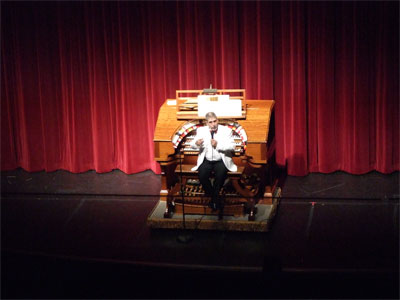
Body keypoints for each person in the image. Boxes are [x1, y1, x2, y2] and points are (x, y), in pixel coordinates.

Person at [190, 112, 237, 211]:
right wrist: (196, 143)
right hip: (206, 160)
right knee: (202, 176)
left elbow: (232, 146)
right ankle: (214, 198)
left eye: (215, 121)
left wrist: (217, 145)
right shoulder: (201, 130)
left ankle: (214, 201)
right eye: (210, 122)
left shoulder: (226, 131)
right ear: (207, 123)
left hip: (221, 160)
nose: (213, 124)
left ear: (218, 120)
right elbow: (192, 145)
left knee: (219, 178)